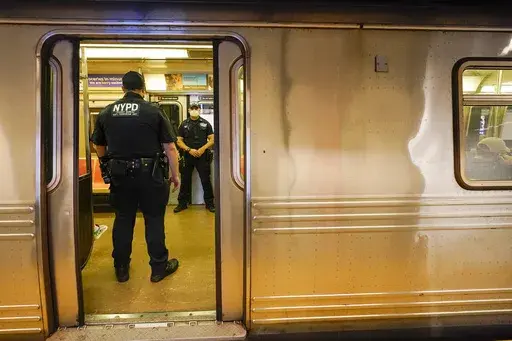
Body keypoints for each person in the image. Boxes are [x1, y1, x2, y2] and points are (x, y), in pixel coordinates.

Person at [90, 71, 181, 283]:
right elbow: (170, 147)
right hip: (151, 174)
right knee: (154, 220)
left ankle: (121, 268)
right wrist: (175, 175)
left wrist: (106, 165)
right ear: (143, 89)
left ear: (122, 89)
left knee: (123, 219)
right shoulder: (153, 111)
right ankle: (158, 268)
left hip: (120, 174)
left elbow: (98, 145)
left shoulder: (106, 112)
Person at [174, 103, 215, 213]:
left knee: (206, 180)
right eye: (192, 109)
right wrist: (189, 150)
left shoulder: (206, 124)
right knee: (185, 180)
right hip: (188, 155)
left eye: (196, 109)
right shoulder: (183, 124)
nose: (194, 110)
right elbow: (179, 141)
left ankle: (210, 204)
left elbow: (212, 139)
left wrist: (202, 149)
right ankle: (182, 203)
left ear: (199, 110)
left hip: (202, 156)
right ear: (188, 110)